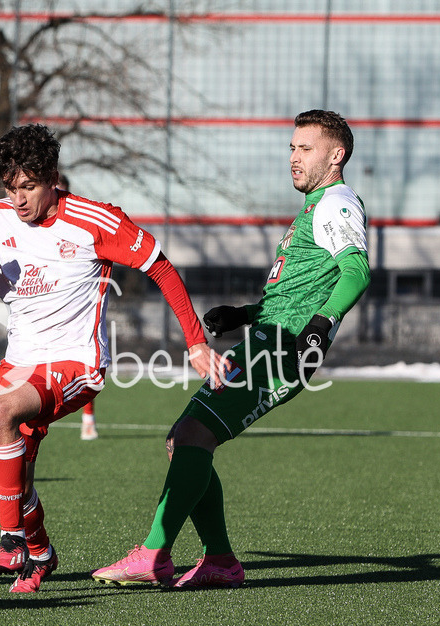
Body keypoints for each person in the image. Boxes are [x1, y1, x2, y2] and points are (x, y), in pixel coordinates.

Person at [92, 109, 370, 589]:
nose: (294, 157)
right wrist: (243, 314)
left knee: (192, 436)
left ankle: (155, 552)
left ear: (336, 154)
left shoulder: (336, 203)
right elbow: (296, 293)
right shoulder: (315, 206)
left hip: (280, 347)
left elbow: (357, 271)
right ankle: (219, 559)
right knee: (185, 438)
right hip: (266, 335)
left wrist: (320, 326)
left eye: (306, 148)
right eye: (291, 148)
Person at [0, 123, 219, 593]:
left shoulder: (97, 220)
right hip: (21, 361)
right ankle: (39, 554)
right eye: (10, 189)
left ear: (53, 177)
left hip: (78, 361)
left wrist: (194, 341)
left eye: (28, 187)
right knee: (20, 475)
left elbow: (160, 266)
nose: (18, 200)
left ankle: (11, 538)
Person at [56, 174, 99, 441]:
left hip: (79, 309)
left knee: (85, 367)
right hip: (47, 311)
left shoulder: (81, 223)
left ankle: (88, 419)